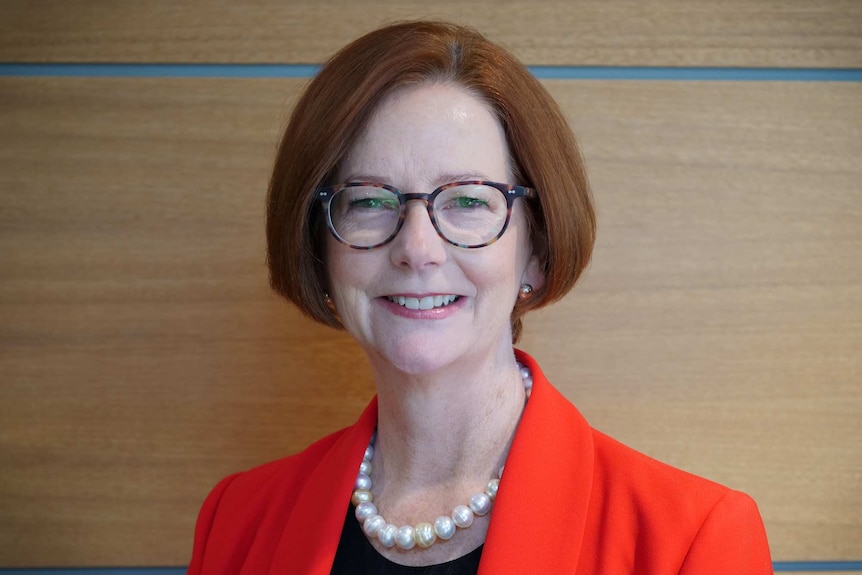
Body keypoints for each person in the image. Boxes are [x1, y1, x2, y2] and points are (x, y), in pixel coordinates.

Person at [188, 20, 772, 574]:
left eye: (468, 201)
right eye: (368, 200)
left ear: (535, 251)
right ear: (320, 250)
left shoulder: (690, 541)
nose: (417, 249)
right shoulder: (237, 522)